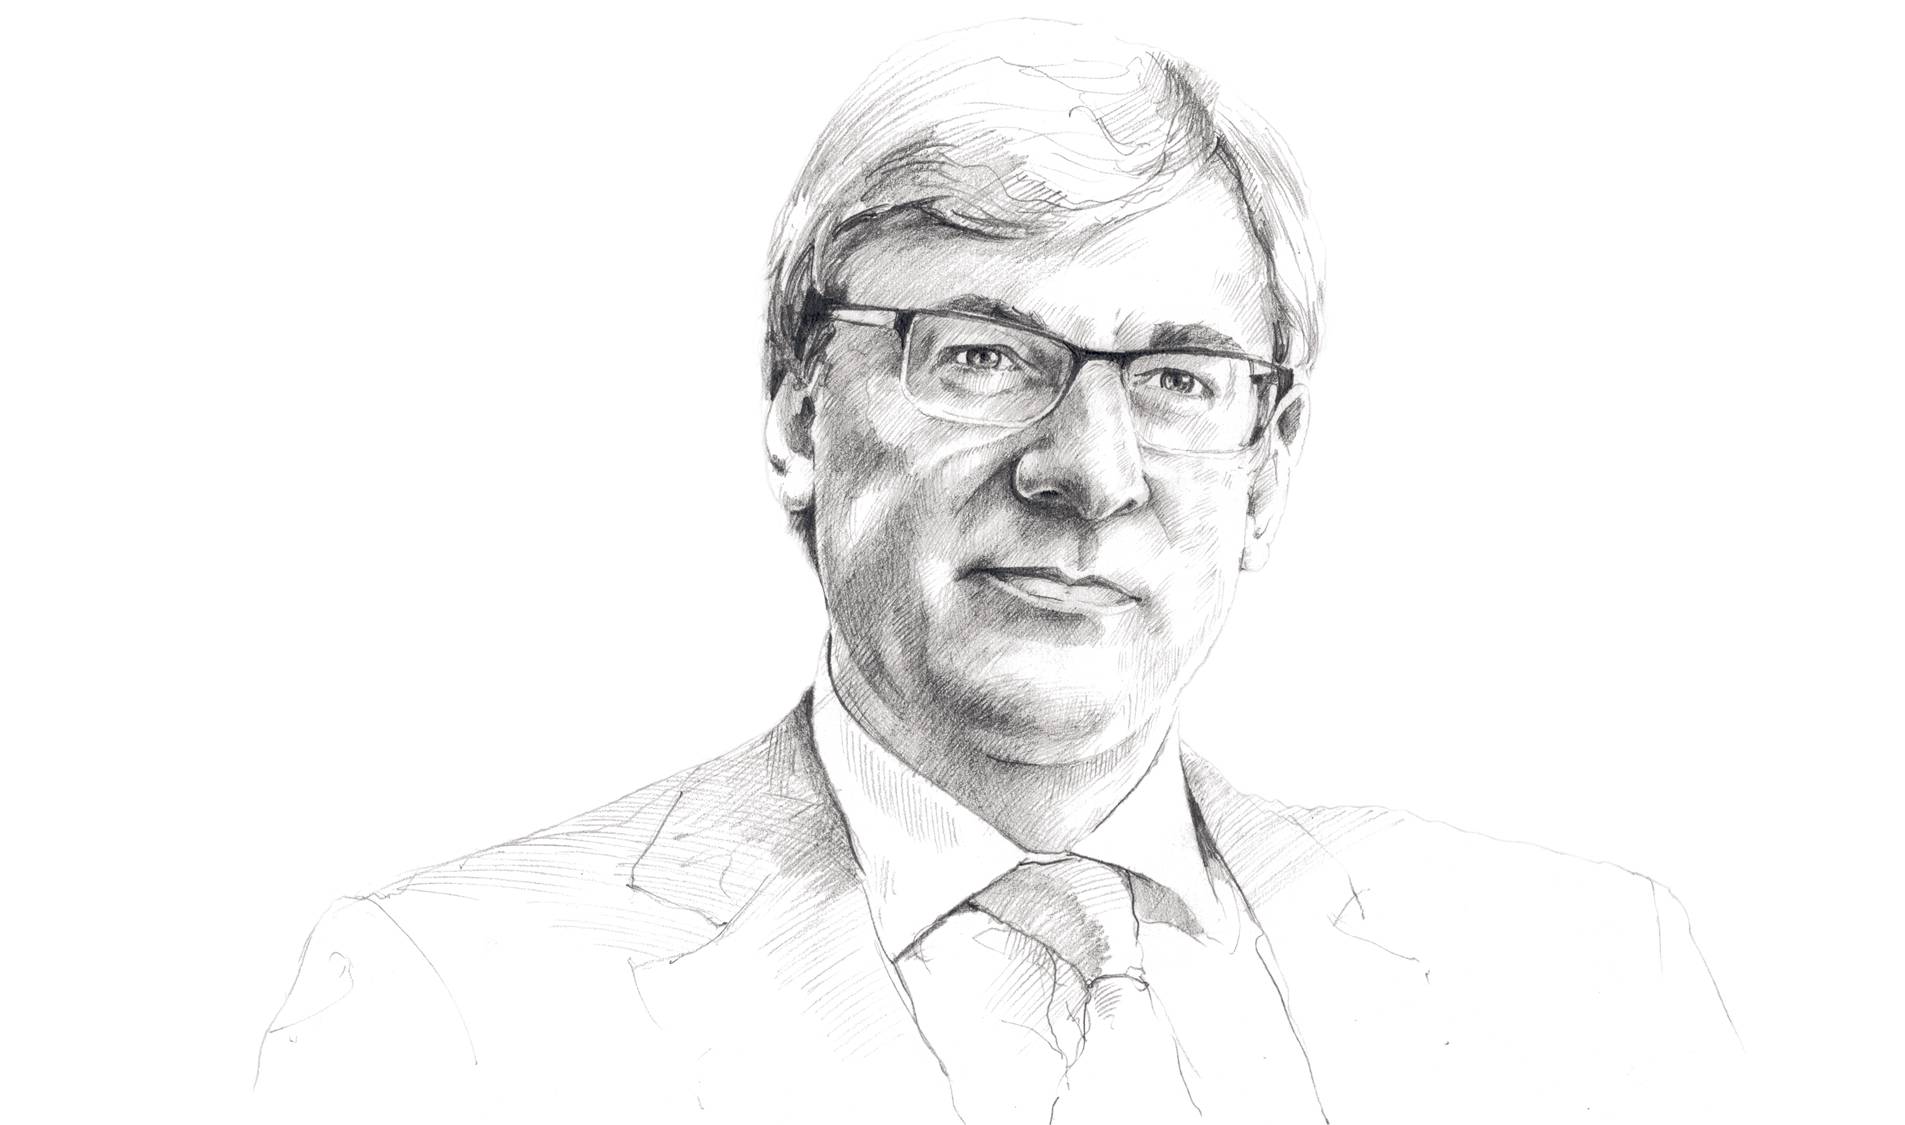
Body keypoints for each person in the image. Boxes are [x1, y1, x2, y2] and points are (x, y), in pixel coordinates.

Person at [258, 20, 1739, 1123]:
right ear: (799, 415)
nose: (1091, 470)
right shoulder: (447, 1009)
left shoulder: (1597, 989)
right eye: (981, 355)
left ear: (1268, 466)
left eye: (1179, 378)